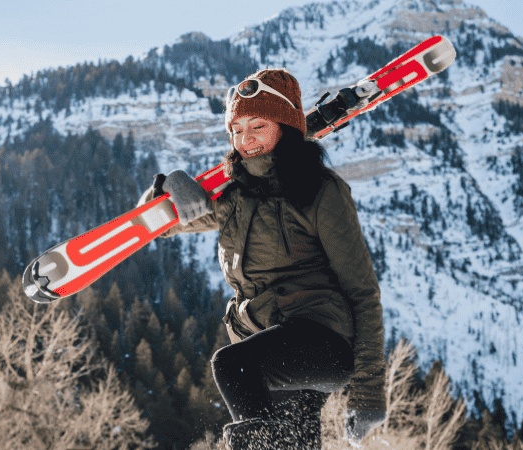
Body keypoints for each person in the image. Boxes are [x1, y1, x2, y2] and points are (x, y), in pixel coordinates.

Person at [138, 68, 386, 450]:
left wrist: (369, 394)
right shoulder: (231, 197)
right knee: (293, 442)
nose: (246, 139)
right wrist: (167, 187)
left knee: (231, 365)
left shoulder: (321, 190)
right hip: (267, 345)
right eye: (236, 129)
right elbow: (151, 227)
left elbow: (363, 291)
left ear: (285, 127)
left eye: (258, 126)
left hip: (324, 342)